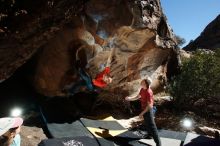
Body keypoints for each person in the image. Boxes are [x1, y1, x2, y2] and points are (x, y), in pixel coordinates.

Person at [125, 78, 161, 146]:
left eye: (142, 82)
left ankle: (158, 143)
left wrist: (142, 113)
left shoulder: (148, 92)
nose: (141, 82)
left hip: (149, 110)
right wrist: (130, 98)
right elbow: (138, 97)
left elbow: (149, 106)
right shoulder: (142, 89)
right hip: (144, 109)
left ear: (146, 84)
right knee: (147, 124)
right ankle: (150, 136)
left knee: (152, 127)